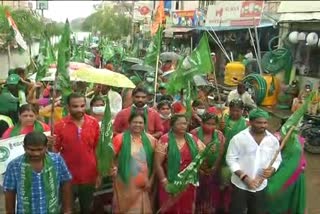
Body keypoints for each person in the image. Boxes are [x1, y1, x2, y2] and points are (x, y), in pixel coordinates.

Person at [226, 108, 282, 214]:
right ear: (250, 122)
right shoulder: (238, 138)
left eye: (265, 122)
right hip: (240, 185)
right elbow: (230, 159)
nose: (263, 125)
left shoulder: (272, 140)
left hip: (260, 186)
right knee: (236, 210)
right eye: (259, 122)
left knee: (257, 211)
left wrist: (272, 170)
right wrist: (245, 178)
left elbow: (277, 159)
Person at [3, 131, 72, 214]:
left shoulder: (56, 160)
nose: (36, 153)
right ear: (24, 148)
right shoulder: (14, 165)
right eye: (31, 150)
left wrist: (67, 210)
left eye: (40, 149)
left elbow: (66, 183)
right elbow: (10, 193)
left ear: (46, 147)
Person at [54, 93, 101, 214]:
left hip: (89, 175)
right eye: (75, 106)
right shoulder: (60, 125)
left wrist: (99, 174)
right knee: (66, 209)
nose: (79, 109)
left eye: (82, 106)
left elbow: (98, 150)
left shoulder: (94, 123)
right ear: (68, 107)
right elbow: (54, 153)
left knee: (87, 209)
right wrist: (49, 145)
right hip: (67, 177)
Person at [154, 114, 205, 213]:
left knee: (187, 208)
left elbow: (203, 154)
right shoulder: (165, 140)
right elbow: (157, 164)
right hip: (170, 182)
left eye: (185, 124)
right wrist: (164, 181)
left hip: (188, 183)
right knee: (169, 208)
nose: (183, 126)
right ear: (172, 125)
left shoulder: (193, 139)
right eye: (179, 124)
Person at [112, 113, 156, 213]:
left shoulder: (151, 140)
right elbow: (110, 157)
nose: (138, 125)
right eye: (135, 122)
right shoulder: (120, 138)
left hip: (144, 184)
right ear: (129, 123)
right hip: (124, 183)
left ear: (144, 124)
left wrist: (152, 180)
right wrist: (113, 168)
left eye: (140, 122)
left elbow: (155, 163)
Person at [190, 112, 225, 213]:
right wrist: (199, 168)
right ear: (202, 123)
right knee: (197, 194)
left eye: (213, 124)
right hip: (196, 171)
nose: (211, 126)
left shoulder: (219, 135)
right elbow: (190, 153)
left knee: (210, 194)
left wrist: (214, 167)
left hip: (212, 171)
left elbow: (220, 153)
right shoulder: (194, 134)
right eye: (208, 123)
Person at [219, 99, 248, 211]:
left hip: (238, 158)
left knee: (234, 185)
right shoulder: (223, 119)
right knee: (222, 183)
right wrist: (219, 128)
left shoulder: (246, 124)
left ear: (242, 111)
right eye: (233, 110)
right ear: (229, 110)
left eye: (238, 111)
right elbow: (217, 136)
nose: (235, 113)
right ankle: (221, 205)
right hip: (222, 157)